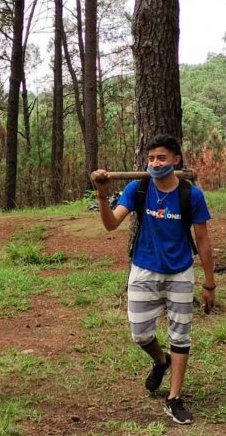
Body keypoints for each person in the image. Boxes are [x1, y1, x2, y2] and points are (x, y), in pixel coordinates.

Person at [92, 134, 215, 425]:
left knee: (180, 335)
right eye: (151, 158)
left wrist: (209, 283)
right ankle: (162, 361)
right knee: (140, 334)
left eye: (161, 158)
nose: (155, 163)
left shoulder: (190, 195)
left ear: (176, 160)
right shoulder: (138, 189)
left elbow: (203, 240)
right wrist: (101, 194)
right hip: (144, 269)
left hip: (180, 271)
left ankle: (174, 398)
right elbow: (111, 225)